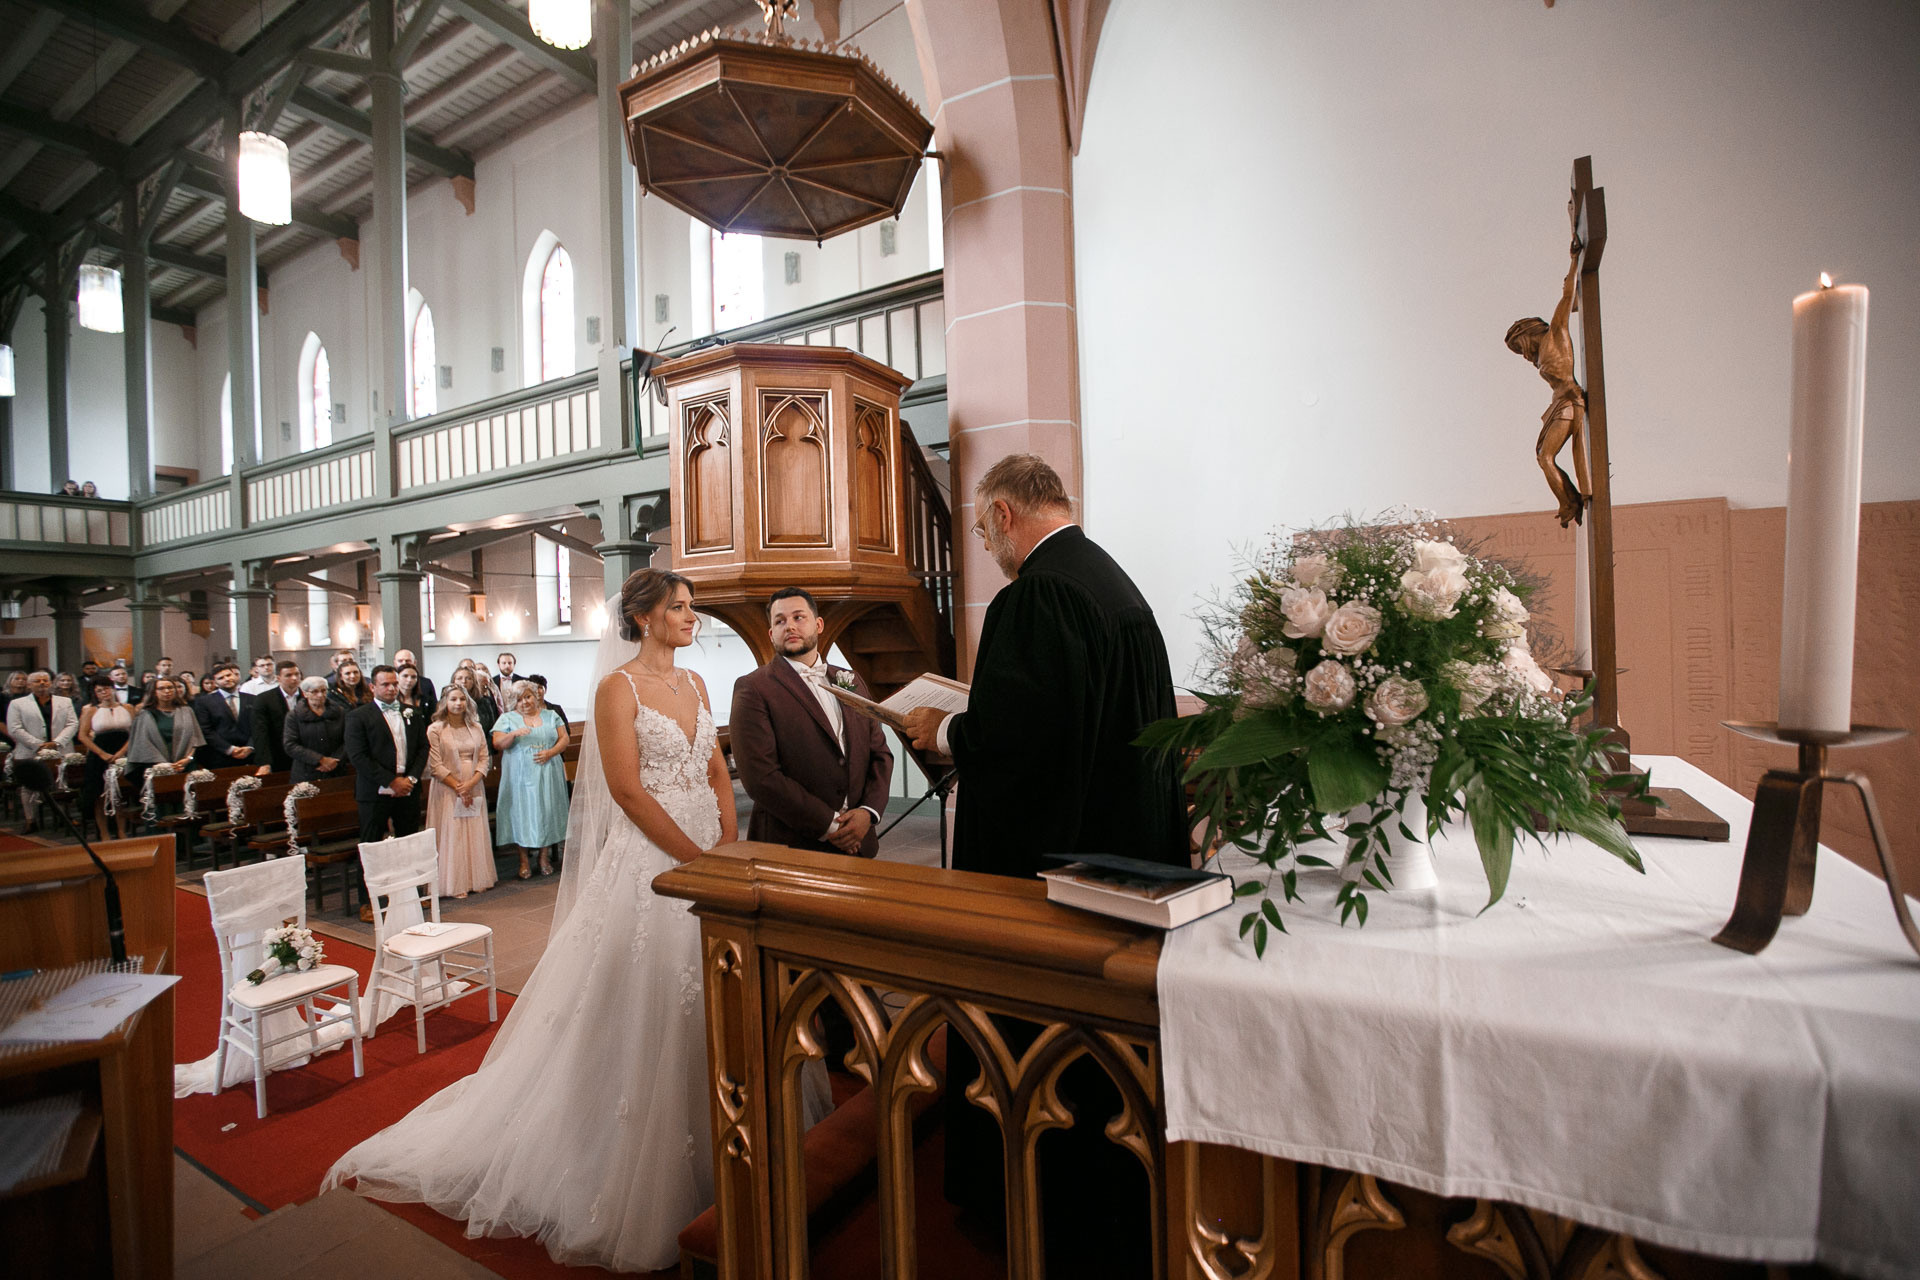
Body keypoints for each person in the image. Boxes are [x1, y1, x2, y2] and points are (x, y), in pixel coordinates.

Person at [324, 568, 744, 1273]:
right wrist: (695, 858)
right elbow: (628, 791)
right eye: (679, 607)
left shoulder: (699, 684)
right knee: (648, 1001)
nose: (690, 617)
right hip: (654, 862)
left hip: (710, 851)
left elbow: (716, 771)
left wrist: (727, 844)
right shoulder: (618, 689)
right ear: (644, 617)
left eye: (690, 607)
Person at [903, 453, 1184, 1278]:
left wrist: (945, 730)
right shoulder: (1112, 582)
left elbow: (1020, 744)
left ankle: (1029, 1199)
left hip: (1054, 879)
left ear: (1003, 514)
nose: (988, 547)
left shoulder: (1037, 594)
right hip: (1122, 860)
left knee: (1037, 1048)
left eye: (982, 530)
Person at [730, 587, 893, 858]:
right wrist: (831, 826)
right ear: (771, 634)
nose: (789, 626)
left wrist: (867, 813)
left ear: (818, 625)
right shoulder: (753, 688)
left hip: (860, 839)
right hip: (791, 844)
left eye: (798, 617)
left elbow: (880, 753)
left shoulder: (850, 679)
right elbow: (761, 777)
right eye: (780, 621)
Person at [1505, 239, 1591, 528]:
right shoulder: (1541, 352)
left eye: (1520, 347)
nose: (1523, 354)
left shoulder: (1556, 334)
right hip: (1559, 404)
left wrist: (1574, 260)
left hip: (1569, 403)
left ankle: (1569, 502)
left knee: (1545, 457)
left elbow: (1567, 296)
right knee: (1542, 457)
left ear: (1527, 335)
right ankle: (1569, 501)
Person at [490, 680, 569, 879]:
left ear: (536, 696)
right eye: (519, 699)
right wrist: (513, 734)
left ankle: (543, 858)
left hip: (548, 771)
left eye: (527, 697)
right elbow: (497, 743)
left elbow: (564, 738)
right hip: (520, 774)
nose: (524, 702)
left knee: (546, 812)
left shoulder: (551, 715)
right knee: (521, 814)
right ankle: (524, 860)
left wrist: (551, 752)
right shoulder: (507, 718)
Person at [343, 665, 430, 847]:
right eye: (385, 684)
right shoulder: (358, 716)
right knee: (372, 844)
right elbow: (358, 756)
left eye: (394, 684)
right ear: (372, 687)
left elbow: (423, 748)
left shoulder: (412, 712)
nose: (391, 688)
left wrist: (411, 779)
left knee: (409, 842)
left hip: (408, 788)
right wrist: (391, 781)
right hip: (375, 790)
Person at [425, 685, 494, 898]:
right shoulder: (435, 729)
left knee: (473, 830)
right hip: (447, 787)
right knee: (453, 833)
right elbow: (435, 765)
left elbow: (484, 758)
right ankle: (455, 883)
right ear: (445, 702)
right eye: (453, 699)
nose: (458, 703)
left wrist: (471, 783)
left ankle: (476, 878)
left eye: (462, 699)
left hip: (473, 784)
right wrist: (458, 787)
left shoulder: (476, 727)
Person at [8, 670, 78, 827]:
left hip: (59, 748)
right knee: (28, 787)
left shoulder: (64, 702)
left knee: (61, 783)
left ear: (51, 683)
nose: (42, 683)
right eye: (37, 681)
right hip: (29, 750)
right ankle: (30, 820)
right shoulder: (17, 704)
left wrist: (56, 742)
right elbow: (14, 728)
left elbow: (72, 724)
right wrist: (38, 744)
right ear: (29, 685)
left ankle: (64, 817)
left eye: (45, 680)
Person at [124, 678, 203, 798]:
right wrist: (163, 764)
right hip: (156, 766)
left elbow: (195, 739)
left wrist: (188, 758)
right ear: (154, 692)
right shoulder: (144, 714)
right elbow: (141, 743)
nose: (167, 691)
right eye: (161, 688)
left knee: (187, 800)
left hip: (185, 764)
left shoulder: (187, 711)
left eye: (170, 688)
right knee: (163, 800)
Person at [78, 677, 134, 839]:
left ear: (113, 689)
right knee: (100, 795)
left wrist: (122, 752)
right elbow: (82, 736)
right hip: (100, 754)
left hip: (123, 751)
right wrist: (102, 754)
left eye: (107, 688)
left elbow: (134, 732)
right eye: (99, 691)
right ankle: (104, 833)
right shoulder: (91, 710)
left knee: (120, 794)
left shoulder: (127, 707)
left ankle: (122, 830)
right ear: (95, 694)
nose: (104, 693)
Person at [283, 676, 350, 785]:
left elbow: (349, 739)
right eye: (314, 692)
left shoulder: (340, 712)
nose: (320, 695)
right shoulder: (294, 716)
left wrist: (336, 759)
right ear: (305, 693)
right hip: (306, 772)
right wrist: (321, 759)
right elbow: (290, 745)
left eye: (323, 691)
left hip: (337, 769)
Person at [193, 663, 256, 771]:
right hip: (220, 756)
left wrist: (250, 746)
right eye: (221, 678)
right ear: (215, 683)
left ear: (235, 676)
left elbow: (258, 726)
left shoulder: (253, 699)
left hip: (250, 755)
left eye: (229, 675)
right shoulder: (204, 702)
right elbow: (206, 730)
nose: (226, 679)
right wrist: (230, 749)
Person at [250, 660, 305, 775]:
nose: (294, 678)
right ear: (278, 678)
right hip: (278, 752)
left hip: (305, 753)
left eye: (297, 674)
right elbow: (260, 732)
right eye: (288, 675)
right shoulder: (264, 699)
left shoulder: (307, 696)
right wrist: (265, 762)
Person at [450, 666, 499, 734]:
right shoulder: (446, 703)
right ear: (453, 681)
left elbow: (491, 729)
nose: (464, 681)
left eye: (468, 678)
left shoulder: (484, 702)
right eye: (459, 678)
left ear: (474, 681)